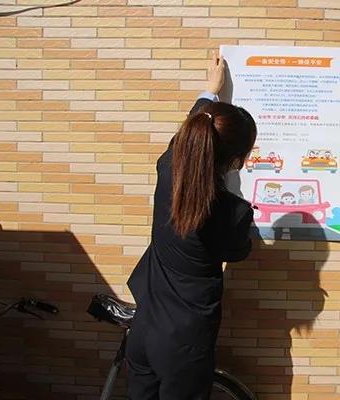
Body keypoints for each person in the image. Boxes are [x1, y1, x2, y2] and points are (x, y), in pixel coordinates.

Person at [125, 53, 257, 399]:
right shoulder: (232, 213)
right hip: (184, 343)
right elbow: (239, 251)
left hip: (144, 329)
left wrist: (210, 91)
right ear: (237, 161)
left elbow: (187, 136)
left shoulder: (168, 169)